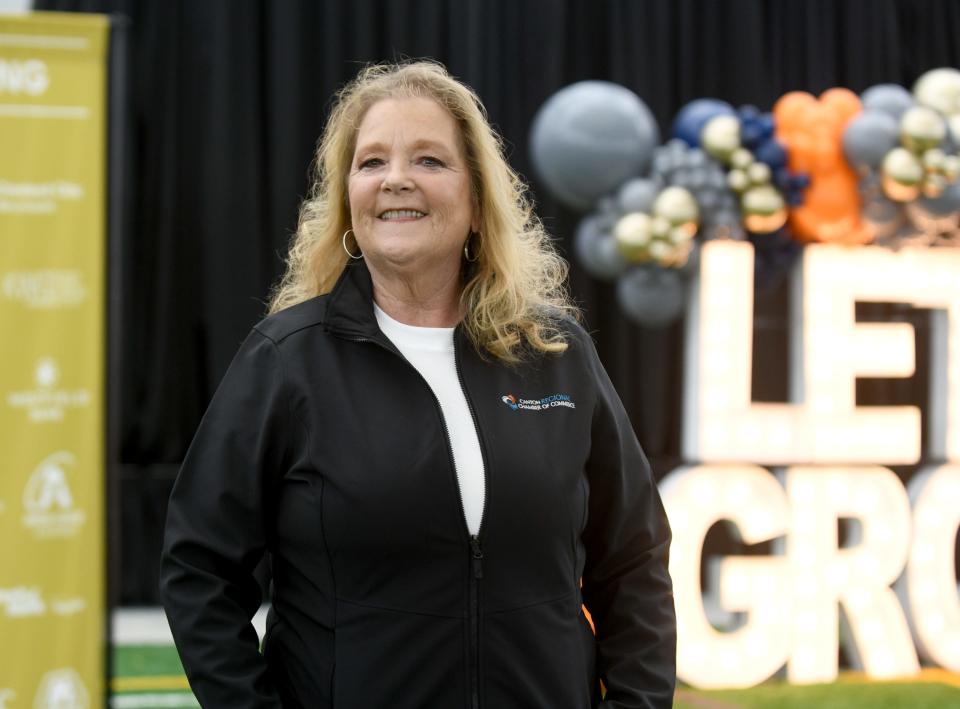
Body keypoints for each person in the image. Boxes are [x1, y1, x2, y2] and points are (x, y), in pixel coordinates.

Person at [160, 60, 675, 709]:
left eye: (429, 160)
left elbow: (633, 560)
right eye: (371, 162)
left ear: (478, 197)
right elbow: (199, 568)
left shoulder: (556, 354)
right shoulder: (285, 361)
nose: (396, 178)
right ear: (348, 198)